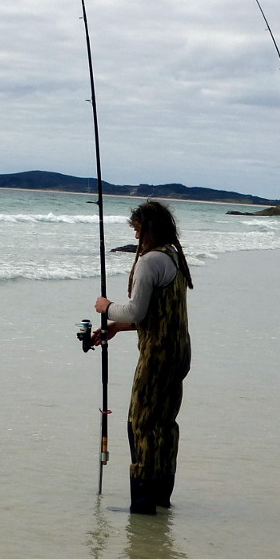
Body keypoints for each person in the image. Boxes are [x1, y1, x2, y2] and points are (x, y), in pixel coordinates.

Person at [93, 200, 193, 515]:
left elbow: (137, 309)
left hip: (157, 356)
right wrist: (117, 328)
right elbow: (154, 314)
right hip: (178, 352)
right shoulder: (173, 257)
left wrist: (105, 307)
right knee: (164, 425)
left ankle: (143, 504)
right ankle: (162, 496)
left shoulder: (149, 262)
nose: (136, 237)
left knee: (141, 425)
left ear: (148, 228)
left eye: (137, 230)